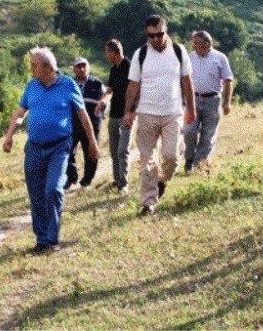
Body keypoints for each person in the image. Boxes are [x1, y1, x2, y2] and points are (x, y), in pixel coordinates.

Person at [3, 47, 100, 253]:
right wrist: (10, 134)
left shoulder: (68, 85)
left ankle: (52, 238)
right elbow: (21, 111)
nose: (31, 69)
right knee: (36, 194)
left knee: (53, 190)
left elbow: (83, 115)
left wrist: (92, 142)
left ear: (48, 67)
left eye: (34, 66)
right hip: (34, 148)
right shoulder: (32, 85)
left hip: (59, 146)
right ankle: (42, 240)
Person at [124, 15, 195, 216]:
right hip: (146, 114)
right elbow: (133, 85)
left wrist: (192, 109)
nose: (155, 39)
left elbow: (188, 83)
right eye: (151, 36)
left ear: (166, 31)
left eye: (159, 34)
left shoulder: (179, 52)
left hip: (173, 114)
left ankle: (162, 181)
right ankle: (148, 203)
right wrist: (128, 111)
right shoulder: (141, 54)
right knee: (147, 160)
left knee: (171, 157)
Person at [182, 30, 234, 174]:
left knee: (208, 136)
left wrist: (227, 102)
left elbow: (228, 80)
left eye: (197, 44)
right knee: (188, 131)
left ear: (207, 44)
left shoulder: (220, 58)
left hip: (213, 100)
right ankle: (189, 158)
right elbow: (183, 79)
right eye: (194, 44)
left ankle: (199, 166)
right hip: (193, 100)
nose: (194, 46)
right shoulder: (190, 57)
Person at [96, 40, 132, 194]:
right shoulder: (113, 69)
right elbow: (109, 90)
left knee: (123, 150)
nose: (107, 56)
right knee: (113, 151)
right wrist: (102, 101)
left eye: (107, 53)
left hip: (126, 114)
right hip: (114, 115)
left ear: (113, 52)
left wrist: (131, 112)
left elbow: (135, 89)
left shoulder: (130, 67)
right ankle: (118, 181)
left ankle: (124, 184)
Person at [65, 57, 105, 189]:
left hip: (92, 124)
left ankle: (87, 179)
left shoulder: (97, 84)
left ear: (89, 67)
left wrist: (99, 118)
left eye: (84, 65)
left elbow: (105, 102)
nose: (81, 68)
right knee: (67, 150)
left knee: (91, 153)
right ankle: (71, 177)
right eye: (78, 66)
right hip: (73, 124)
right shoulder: (69, 84)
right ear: (74, 69)